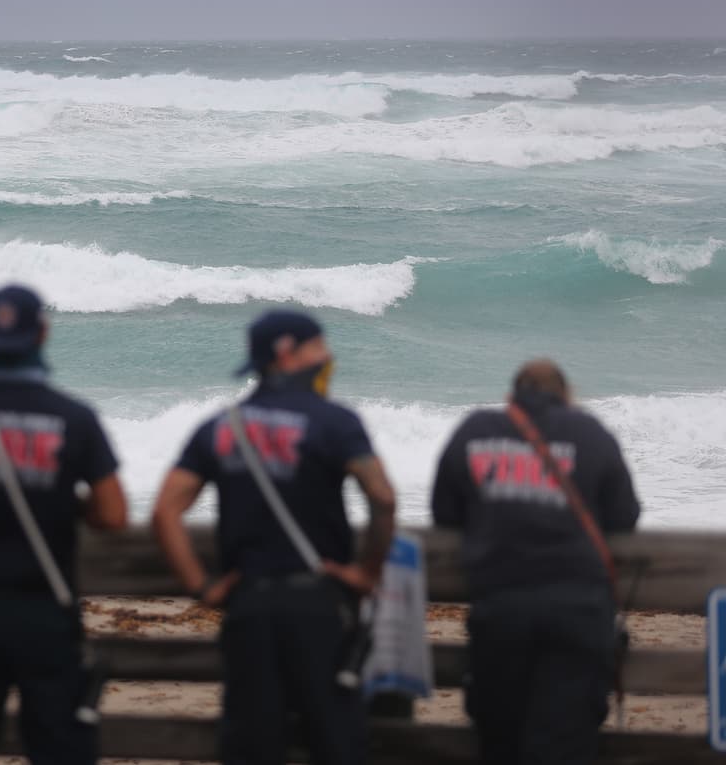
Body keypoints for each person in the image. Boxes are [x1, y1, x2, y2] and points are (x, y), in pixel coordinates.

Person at [151, 309, 396, 765]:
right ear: (289, 355)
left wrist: (200, 586)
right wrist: (366, 573)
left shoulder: (221, 426)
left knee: (253, 743)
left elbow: (166, 509)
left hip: (250, 607)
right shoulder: (335, 422)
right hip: (318, 604)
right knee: (336, 740)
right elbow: (382, 498)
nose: (329, 357)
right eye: (319, 347)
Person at [0, 284, 129, 765]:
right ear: (44, 333)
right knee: (58, 747)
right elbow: (113, 515)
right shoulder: (74, 418)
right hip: (46, 608)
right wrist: (66, 508)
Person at [432, 359, 641, 765]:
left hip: (501, 609)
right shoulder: (590, 433)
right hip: (578, 612)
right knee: (565, 739)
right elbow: (623, 517)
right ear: (565, 395)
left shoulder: (476, 430)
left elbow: (445, 513)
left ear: (513, 395)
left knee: (500, 735)